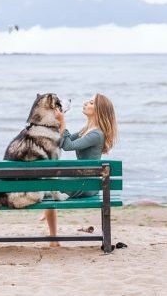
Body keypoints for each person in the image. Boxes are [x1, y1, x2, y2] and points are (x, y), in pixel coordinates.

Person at [44, 93, 118, 247]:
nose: (85, 103)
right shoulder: (87, 129)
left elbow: (67, 145)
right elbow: (68, 139)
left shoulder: (97, 135)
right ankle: (52, 237)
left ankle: (52, 237)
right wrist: (60, 122)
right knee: (48, 186)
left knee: (47, 187)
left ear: (99, 110)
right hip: (84, 181)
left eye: (91, 103)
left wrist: (62, 120)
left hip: (87, 184)